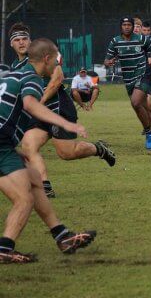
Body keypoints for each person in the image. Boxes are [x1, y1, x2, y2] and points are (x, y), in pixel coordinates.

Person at [0, 38, 97, 264]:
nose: (57, 65)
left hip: (3, 146)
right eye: (56, 60)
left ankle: (62, 235)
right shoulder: (32, 78)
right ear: (46, 59)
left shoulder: (14, 75)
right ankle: (4, 247)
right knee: (24, 200)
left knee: (34, 178)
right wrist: (67, 124)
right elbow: (31, 105)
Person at [10, 24, 115, 199]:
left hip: (59, 108)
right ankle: (45, 187)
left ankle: (99, 149)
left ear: (30, 40)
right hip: (39, 114)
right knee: (29, 145)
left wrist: (40, 101)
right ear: (11, 44)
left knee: (67, 153)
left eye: (24, 39)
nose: (21, 43)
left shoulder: (44, 54)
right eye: (17, 40)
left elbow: (58, 78)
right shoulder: (15, 66)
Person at [104, 17, 151, 150]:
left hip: (143, 75)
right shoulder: (115, 42)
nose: (126, 27)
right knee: (143, 108)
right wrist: (108, 62)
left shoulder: (141, 39)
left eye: (129, 25)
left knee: (135, 102)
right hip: (128, 79)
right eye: (124, 24)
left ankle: (148, 134)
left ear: (133, 26)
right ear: (121, 26)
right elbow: (107, 60)